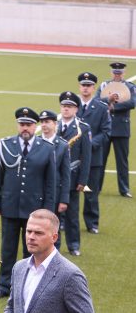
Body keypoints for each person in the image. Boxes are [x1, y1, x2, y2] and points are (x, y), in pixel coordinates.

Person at [0, 108, 57, 299]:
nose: (25, 128)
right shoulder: (6, 145)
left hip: (35, 211)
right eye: (22, 124)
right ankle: (4, 286)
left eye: (28, 125)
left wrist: (48, 212)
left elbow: (50, 183)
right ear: (18, 125)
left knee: (32, 250)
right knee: (8, 249)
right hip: (10, 206)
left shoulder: (46, 147)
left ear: (35, 126)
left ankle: (29, 287)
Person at [57, 91, 92, 256]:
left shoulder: (83, 128)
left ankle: (74, 245)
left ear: (76, 109)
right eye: (64, 106)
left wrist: (83, 180)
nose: (66, 109)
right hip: (53, 177)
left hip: (72, 177)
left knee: (72, 215)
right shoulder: (52, 124)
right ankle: (52, 246)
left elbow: (86, 156)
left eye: (69, 106)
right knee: (51, 213)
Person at [77, 72, 111, 234]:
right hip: (73, 157)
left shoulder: (101, 108)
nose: (85, 88)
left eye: (88, 85)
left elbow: (105, 132)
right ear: (79, 87)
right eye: (83, 85)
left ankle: (92, 223)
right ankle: (62, 221)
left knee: (90, 192)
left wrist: (89, 145)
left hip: (92, 157)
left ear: (93, 87)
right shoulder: (71, 106)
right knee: (68, 191)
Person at [99, 61, 135, 197]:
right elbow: (97, 100)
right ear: (111, 73)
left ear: (124, 73)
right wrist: (108, 100)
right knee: (100, 160)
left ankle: (124, 189)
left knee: (122, 161)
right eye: (115, 73)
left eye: (119, 73)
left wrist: (114, 106)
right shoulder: (104, 85)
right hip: (105, 128)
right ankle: (97, 187)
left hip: (121, 128)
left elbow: (132, 102)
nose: (117, 75)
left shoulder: (130, 87)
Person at [37, 110, 70, 249]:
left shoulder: (62, 145)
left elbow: (66, 174)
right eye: (42, 122)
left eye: (47, 122)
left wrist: (64, 199)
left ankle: (54, 254)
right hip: (37, 192)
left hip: (54, 194)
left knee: (53, 226)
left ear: (55, 124)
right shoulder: (36, 142)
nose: (44, 125)